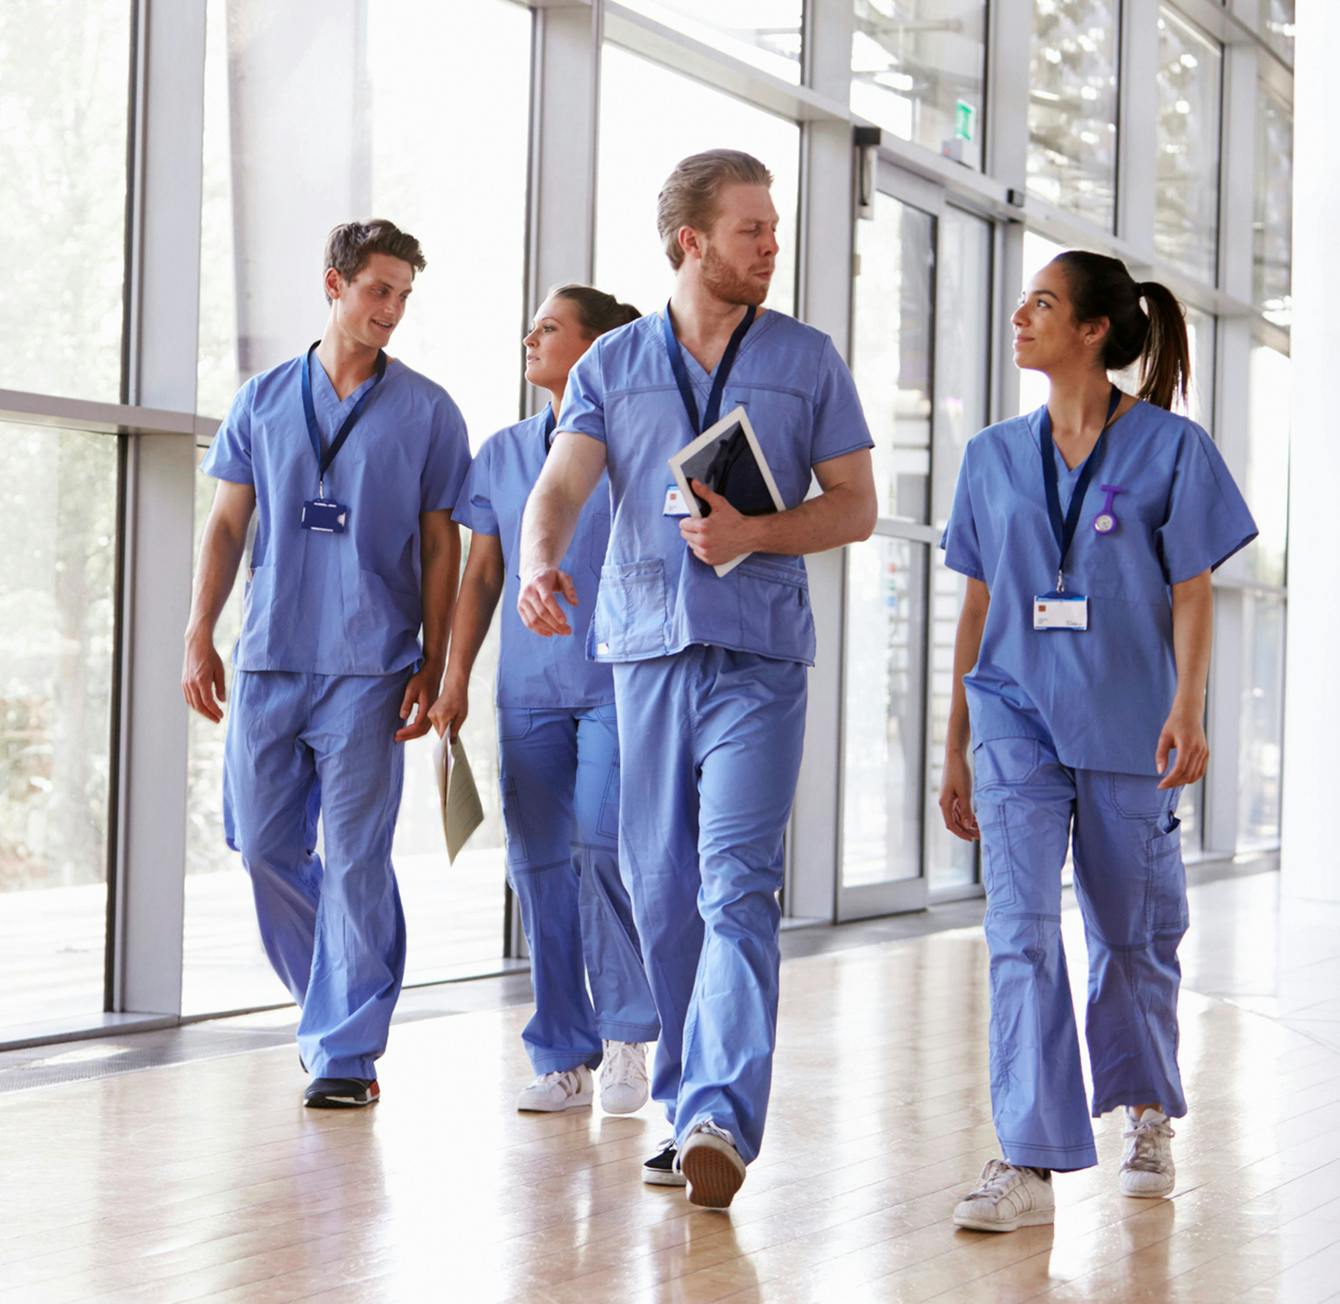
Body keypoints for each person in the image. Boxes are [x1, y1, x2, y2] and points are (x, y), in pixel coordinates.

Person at [516, 150, 877, 1208]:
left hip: (758, 656)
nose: (772, 245)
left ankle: (719, 1106)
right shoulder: (612, 364)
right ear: (691, 241)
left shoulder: (806, 359)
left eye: (772, 228)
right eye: (751, 230)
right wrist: (541, 561)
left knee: (733, 882)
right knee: (662, 888)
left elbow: (853, 503)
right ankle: (684, 1101)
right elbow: (560, 484)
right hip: (643, 653)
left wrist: (757, 530)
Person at [938, 251, 1257, 1231]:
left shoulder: (1171, 448)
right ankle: (1028, 1158)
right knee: (1018, 931)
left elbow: (1194, 586)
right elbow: (978, 598)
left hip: (1127, 718)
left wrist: (1187, 705)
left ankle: (1147, 1109)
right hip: (1013, 718)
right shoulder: (991, 454)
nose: (1018, 314)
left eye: (1040, 302)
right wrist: (953, 740)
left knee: (1128, 935)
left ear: (1090, 331)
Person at [182, 219, 470, 1109]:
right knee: (265, 847)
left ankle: (345, 1051)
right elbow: (230, 524)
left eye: (403, 296)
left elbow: (439, 545)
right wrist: (199, 631)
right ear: (333, 285)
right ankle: (329, 1006)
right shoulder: (263, 399)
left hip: (372, 665)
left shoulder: (427, 410)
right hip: (271, 657)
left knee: (354, 860)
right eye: (379, 290)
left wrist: (435, 656)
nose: (391, 310)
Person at [428, 284, 659, 1115]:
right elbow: (483, 573)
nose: (531, 335)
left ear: (598, 348)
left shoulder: (635, 446)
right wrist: (453, 680)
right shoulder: (501, 451)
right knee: (537, 870)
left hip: (617, 681)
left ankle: (630, 1032)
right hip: (526, 693)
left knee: (600, 848)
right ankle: (564, 1049)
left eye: (551, 327)